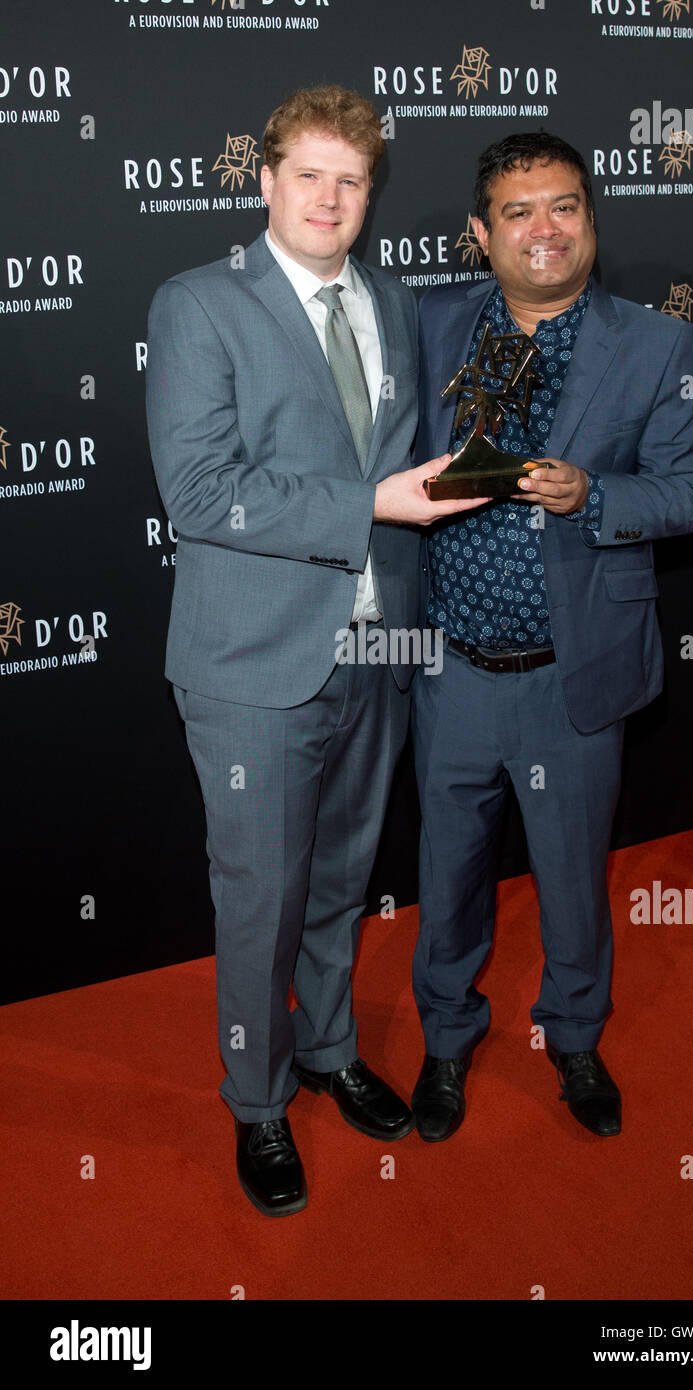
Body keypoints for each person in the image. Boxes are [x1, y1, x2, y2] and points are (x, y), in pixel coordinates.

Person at [145, 85, 484, 1216]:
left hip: (373, 651)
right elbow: (199, 494)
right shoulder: (199, 304)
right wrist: (368, 503)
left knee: (341, 882)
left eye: (353, 181)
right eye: (311, 176)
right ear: (266, 181)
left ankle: (330, 1047)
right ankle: (257, 1100)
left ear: (370, 194)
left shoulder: (390, 297)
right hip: (251, 668)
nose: (331, 198)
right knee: (261, 898)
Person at [410, 131, 693, 1142]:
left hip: (571, 677)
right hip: (450, 670)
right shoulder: (431, 324)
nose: (544, 230)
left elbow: (685, 493)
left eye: (564, 206)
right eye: (517, 211)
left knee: (575, 875)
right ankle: (447, 1037)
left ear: (589, 216)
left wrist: (596, 494)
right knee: (446, 874)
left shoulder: (653, 343)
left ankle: (574, 1035)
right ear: (478, 232)